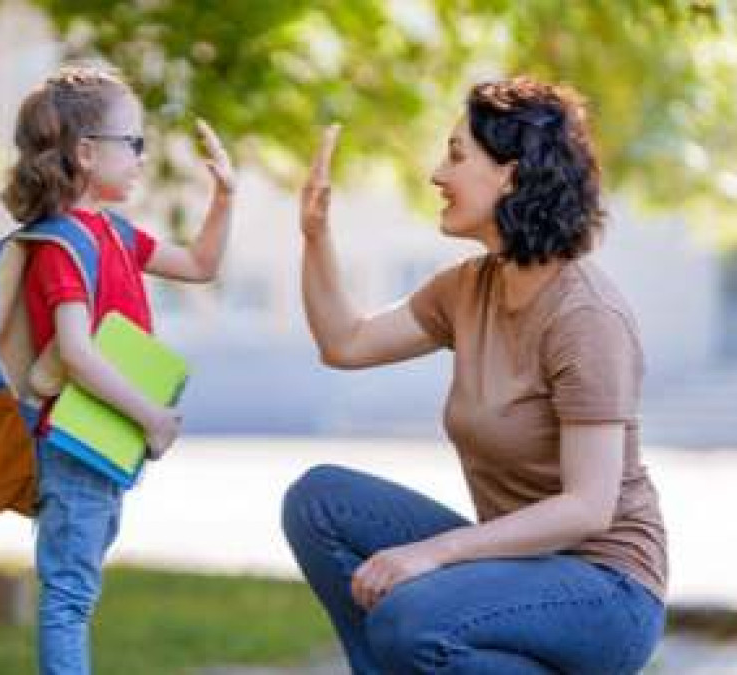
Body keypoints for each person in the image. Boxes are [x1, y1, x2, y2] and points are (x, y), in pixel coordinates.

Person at [281, 77, 667, 674]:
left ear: (511, 175)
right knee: (319, 501)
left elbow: (588, 508)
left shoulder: (585, 314)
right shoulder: (469, 288)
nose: (438, 174)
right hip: (516, 571)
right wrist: (315, 236)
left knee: (410, 619)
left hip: (605, 590)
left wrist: (433, 555)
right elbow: (345, 342)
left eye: (457, 155)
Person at [2, 64, 234, 675]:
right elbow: (77, 354)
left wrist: (225, 196)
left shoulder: (117, 234)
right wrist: (152, 417)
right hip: (77, 443)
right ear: (84, 153)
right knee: (69, 598)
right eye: (132, 143)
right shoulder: (60, 246)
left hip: (104, 441)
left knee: (79, 588)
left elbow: (202, 264)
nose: (141, 157)